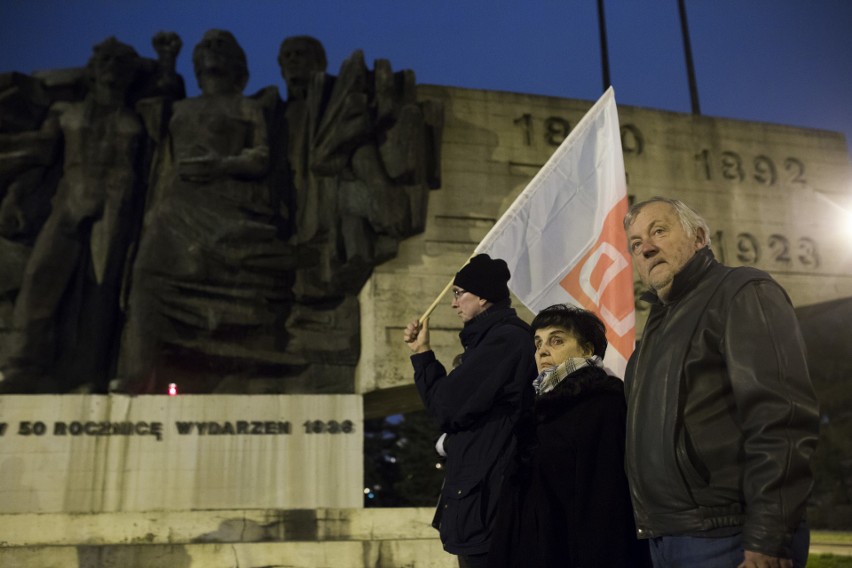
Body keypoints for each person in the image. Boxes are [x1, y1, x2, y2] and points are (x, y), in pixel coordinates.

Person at [622, 197, 819, 568]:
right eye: (635, 244)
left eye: (659, 231)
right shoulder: (656, 328)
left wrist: (769, 535)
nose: (645, 247)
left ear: (699, 238)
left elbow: (782, 418)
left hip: (729, 537)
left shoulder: (742, 291)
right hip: (665, 538)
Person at [488, 304, 650, 568]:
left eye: (557, 340)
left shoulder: (604, 405)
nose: (542, 350)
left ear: (586, 350)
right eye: (538, 343)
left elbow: (606, 504)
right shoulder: (538, 409)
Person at [403, 254, 536, 568]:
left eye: (459, 292)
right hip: (482, 501)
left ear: (483, 296)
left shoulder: (505, 341)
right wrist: (421, 351)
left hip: (490, 505)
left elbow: (445, 408)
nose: (453, 303)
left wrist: (423, 357)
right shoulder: (491, 341)